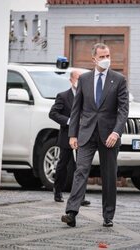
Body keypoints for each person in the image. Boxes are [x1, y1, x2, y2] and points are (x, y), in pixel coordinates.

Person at [61, 43, 129, 227]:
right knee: (80, 171)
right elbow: (76, 110)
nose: (106, 59)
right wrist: (72, 134)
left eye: (108, 55)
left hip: (109, 136)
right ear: (94, 59)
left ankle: (108, 216)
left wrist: (116, 132)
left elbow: (123, 110)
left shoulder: (119, 80)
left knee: (108, 176)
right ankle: (71, 212)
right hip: (86, 134)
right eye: (101, 56)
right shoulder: (84, 79)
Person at [49, 70, 90, 206]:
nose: (79, 81)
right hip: (67, 135)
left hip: (83, 136)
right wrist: (69, 121)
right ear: (71, 80)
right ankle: (58, 191)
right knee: (63, 164)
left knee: (81, 166)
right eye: (77, 79)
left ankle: (80, 196)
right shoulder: (63, 96)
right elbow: (53, 113)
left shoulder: (87, 96)